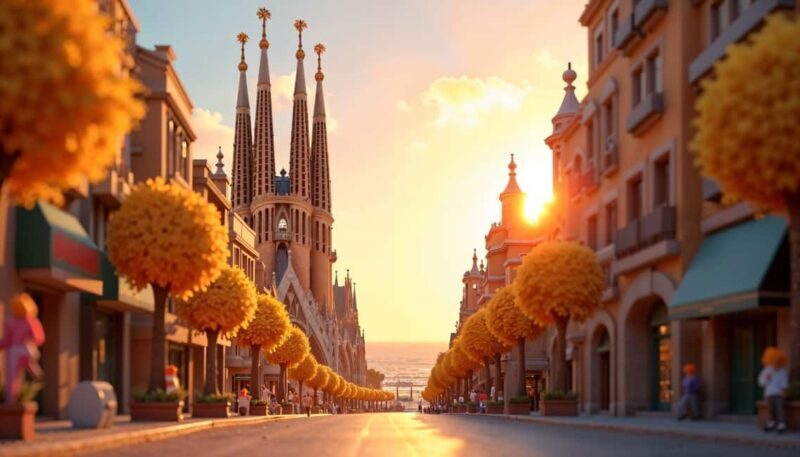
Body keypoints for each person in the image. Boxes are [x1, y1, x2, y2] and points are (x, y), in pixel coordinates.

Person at [759, 347, 789, 433]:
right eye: (775, 363)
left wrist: (784, 392)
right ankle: (771, 423)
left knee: (780, 409)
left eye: (778, 363)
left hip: (778, 394)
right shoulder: (767, 370)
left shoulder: (782, 371)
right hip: (769, 393)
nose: (776, 365)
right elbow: (761, 382)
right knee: (771, 409)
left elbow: (784, 382)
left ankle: (781, 424)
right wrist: (766, 379)